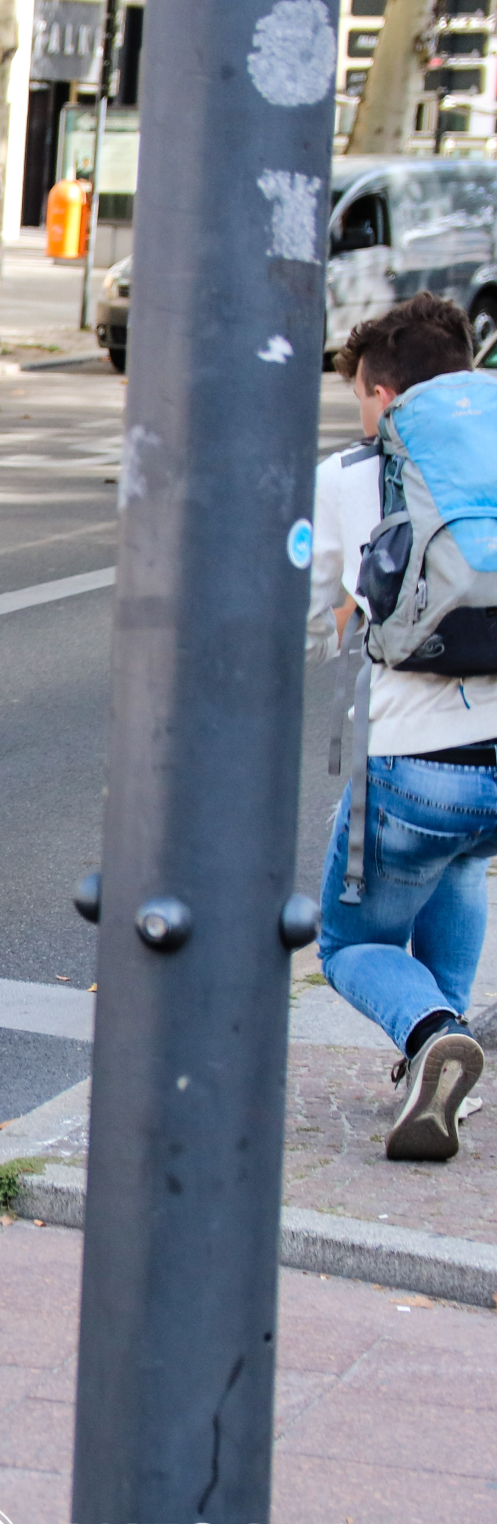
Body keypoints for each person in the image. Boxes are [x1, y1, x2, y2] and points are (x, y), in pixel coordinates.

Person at [310, 292, 497, 1162]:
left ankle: (429, 1037)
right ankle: (450, 1072)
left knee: (349, 944)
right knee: (463, 861)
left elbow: (319, 617)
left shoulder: (354, 472)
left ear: (383, 395)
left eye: (357, 396)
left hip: (414, 762)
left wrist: (349, 610)